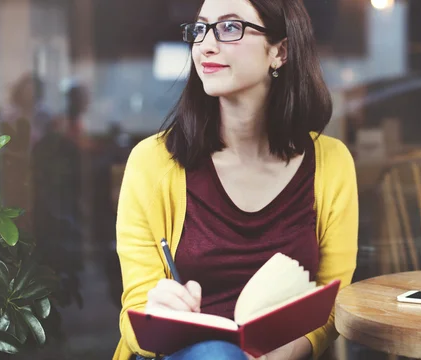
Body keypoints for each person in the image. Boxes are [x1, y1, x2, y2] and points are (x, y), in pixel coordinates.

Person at [113, 0, 358, 359]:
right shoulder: (153, 162)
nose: (206, 45)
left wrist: (288, 351)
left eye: (230, 28)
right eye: (199, 29)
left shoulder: (332, 164)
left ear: (280, 51)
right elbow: (133, 313)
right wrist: (155, 314)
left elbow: (333, 301)